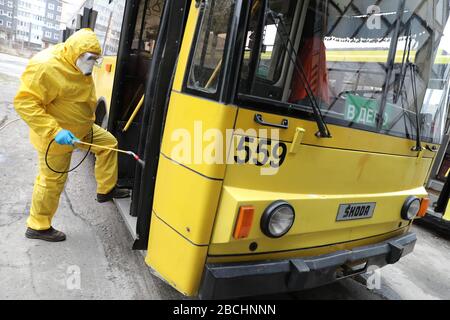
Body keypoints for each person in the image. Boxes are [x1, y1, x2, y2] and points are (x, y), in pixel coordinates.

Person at [14, 28, 130, 242]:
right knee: (52, 181)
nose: (91, 63)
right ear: (74, 52)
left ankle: (106, 189)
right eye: (89, 58)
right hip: (56, 137)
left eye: (96, 59)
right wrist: (55, 131)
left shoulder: (78, 63)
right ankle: (38, 226)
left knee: (109, 144)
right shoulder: (45, 67)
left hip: (82, 129)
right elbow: (25, 103)